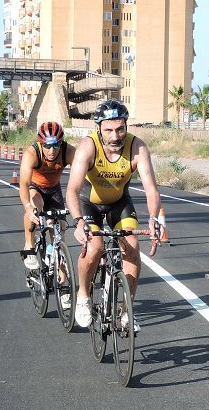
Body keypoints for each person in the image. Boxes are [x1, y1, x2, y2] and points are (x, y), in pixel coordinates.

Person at [66, 99, 161, 331]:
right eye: (108, 130)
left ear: (126, 127)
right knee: (95, 247)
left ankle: (126, 309)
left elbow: (151, 188)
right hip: (90, 205)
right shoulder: (88, 147)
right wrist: (79, 223)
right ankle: (84, 296)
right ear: (98, 128)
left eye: (120, 129)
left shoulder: (137, 147)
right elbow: (72, 190)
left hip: (120, 203)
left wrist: (154, 218)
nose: (115, 136)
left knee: (132, 245)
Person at [19, 121, 73, 272]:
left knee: (59, 232)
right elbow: (23, 183)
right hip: (34, 187)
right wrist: (27, 206)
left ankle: (62, 282)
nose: (51, 151)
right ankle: (29, 245)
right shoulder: (32, 153)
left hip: (54, 189)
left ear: (61, 143)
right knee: (36, 206)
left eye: (56, 146)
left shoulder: (68, 151)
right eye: (47, 146)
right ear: (40, 143)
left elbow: (83, 177)